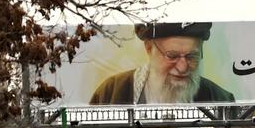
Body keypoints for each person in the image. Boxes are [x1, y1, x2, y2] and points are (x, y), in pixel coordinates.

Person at [90, 22, 234, 105]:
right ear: (149, 48)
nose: (182, 67)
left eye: (192, 56)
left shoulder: (221, 99)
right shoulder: (110, 93)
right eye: (172, 56)